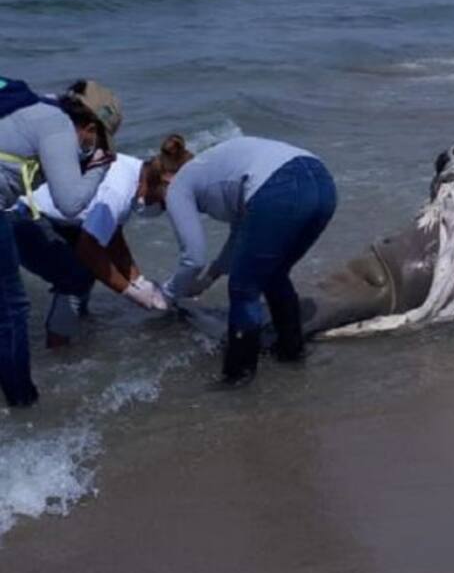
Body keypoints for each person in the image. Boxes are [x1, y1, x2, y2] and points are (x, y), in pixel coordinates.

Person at [141, 134, 337, 385]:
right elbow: (240, 234)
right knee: (274, 274)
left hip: (280, 186)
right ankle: (291, 353)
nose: (169, 207)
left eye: (162, 202)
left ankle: (238, 376)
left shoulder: (178, 184)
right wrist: (210, 277)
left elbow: (192, 258)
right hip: (322, 182)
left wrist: (166, 295)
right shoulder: (210, 168)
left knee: (244, 288)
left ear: (165, 180)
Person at [0, 78, 120, 407]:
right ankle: (23, 407)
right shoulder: (57, 124)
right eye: (98, 142)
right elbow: (70, 202)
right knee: (11, 312)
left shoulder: (29, 109)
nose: (93, 149)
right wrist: (97, 168)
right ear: (90, 126)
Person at [9, 150, 167, 348]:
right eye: (162, 203)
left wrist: (139, 281)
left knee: (88, 272)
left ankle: (77, 322)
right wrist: (129, 292)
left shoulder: (135, 171)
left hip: (56, 215)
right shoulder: (119, 191)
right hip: (22, 215)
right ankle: (59, 351)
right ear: (162, 182)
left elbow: (111, 237)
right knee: (77, 275)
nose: (158, 208)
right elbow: (89, 250)